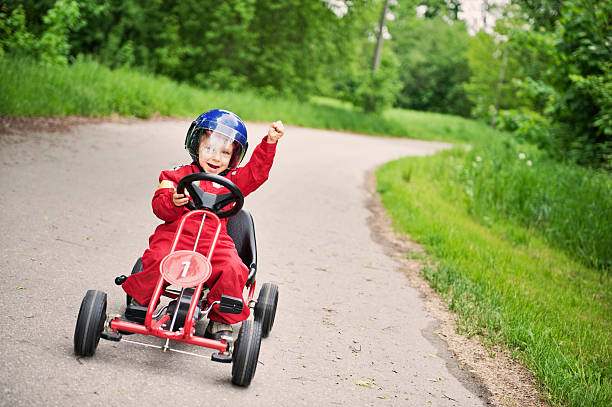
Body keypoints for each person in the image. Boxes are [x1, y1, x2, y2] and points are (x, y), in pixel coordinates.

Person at [121, 109, 285, 340]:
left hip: (215, 240)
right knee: (157, 256)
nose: (216, 158)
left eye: (225, 153)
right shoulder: (176, 175)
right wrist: (173, 201)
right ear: (196, 145)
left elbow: (257, 173)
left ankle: (220, 319)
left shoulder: (233, 180)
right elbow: (159, 207)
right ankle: (141, 301)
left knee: (233, 267)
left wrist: (269, 142)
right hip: (177, 235)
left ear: (234, 156)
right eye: (209, 149)